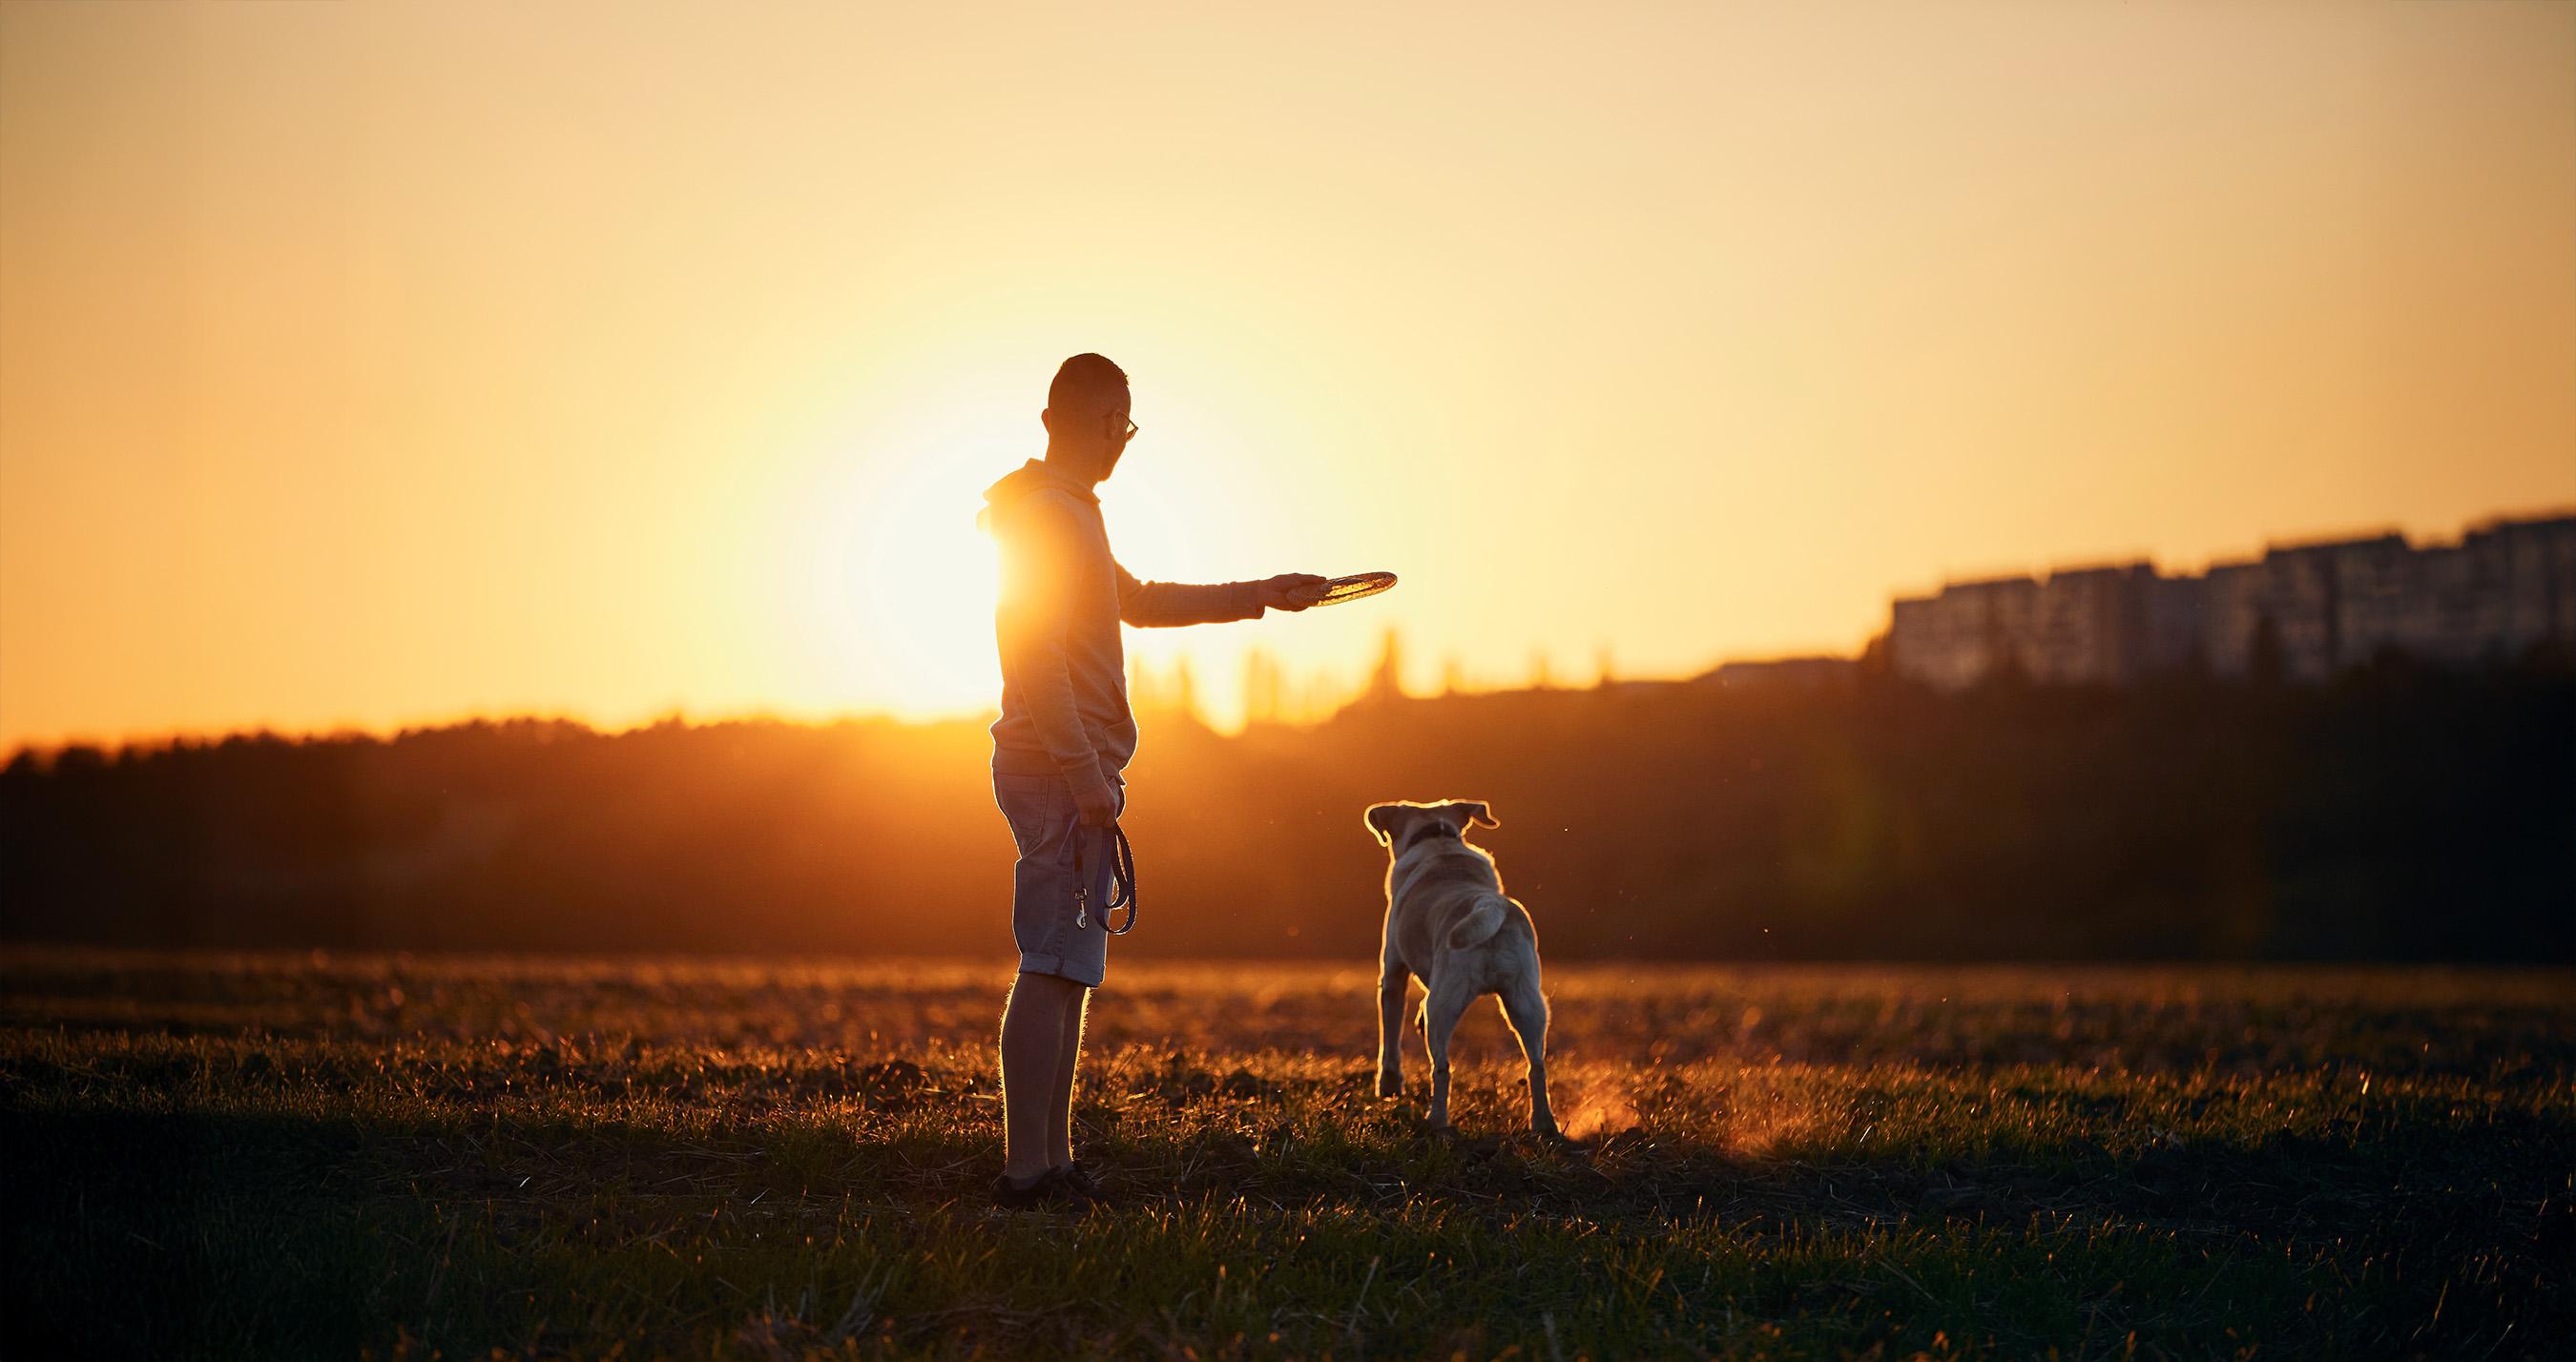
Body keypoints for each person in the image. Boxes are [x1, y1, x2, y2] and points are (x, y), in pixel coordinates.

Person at [976, 352, 1325, 1209]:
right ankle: (1026, 1176)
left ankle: (1054, 1166)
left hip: (1078, 769)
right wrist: (1085, 773)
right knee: (1049, 962)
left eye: (1128, 427)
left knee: (1072, 968)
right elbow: (1036, 659)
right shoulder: (1045, 519)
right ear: (1074, 420)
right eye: (1115, 423)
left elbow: (1138, 600)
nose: (1123, 442)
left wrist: (1259, 595)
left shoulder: (1071, 514)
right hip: (1062, 769)